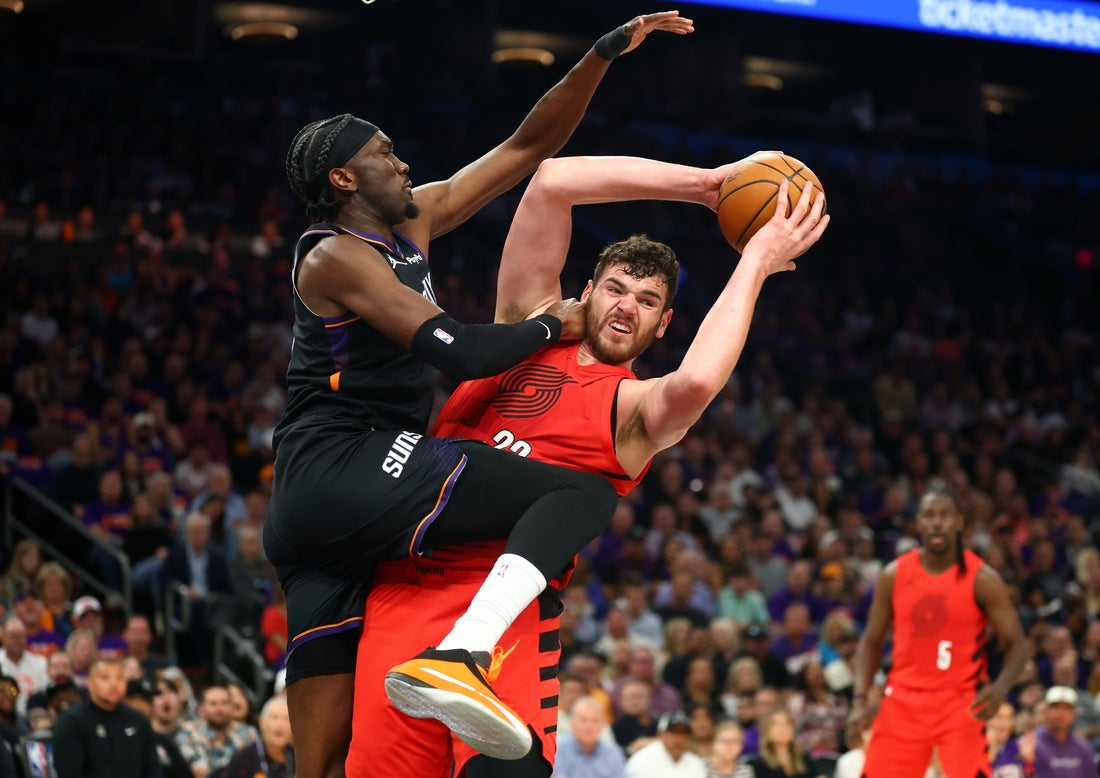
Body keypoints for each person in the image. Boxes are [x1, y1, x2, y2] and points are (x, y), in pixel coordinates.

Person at [264, 12, 694, 775]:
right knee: (579, 494)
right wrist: (555, 323)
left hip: (329, 521)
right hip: (343, 462)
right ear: (343, 180)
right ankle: (465, 652)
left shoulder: (415, 218)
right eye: (382, 154)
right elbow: (461, 353)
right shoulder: (333, 257)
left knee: (323, 765)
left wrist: (599, 54)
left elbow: (528, 148)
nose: (402, 162)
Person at [350, 152, 828, 777]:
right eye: (616, 288)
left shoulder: (633, 411)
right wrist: (709, 185)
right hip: (405, 584)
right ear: (587, 292)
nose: (627, 306)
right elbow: (553, 181)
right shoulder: (527, 324)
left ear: (664, 325)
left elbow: (696, 383)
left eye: (648, 301)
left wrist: (756, 261)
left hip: (505, 610)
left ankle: (469, 652)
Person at [847, 486, 1029, 778]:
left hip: (961, 700)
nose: (936, 522)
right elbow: (870, 641)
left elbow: (1017, 644)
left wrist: (1000, 687)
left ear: (959, 521)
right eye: (929, 515)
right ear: (918, 522)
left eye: (944, 515)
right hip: (903, 698)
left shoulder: (983, 579)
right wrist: (859, 701)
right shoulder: (894, 575)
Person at [52, 657, 162, 778]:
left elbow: (153, 770)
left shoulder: (139, 720)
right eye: (105, 678)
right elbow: (68, 773)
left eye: (119, 678)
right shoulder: (72, 722)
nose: (113, 684)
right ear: (90, 683)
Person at [1019, 686, 1099, 778]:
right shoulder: (1030, 743)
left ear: (1074, 714)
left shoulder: (1082, 747)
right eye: (1056, 707)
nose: (1061, 713)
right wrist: (1028, 763)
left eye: (1066, 708)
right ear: (1046, 711)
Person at [550, 696, 624, 778]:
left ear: (602, 725)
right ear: (571, 722)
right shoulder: (556, 750)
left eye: (594, 721)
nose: (589, 726)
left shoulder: (613, 754)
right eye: (583, 720)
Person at [221, 696, 295, 778]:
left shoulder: (297, 757)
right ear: (261, 722)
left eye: (286, 719)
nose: (280, 725)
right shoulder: (244, 758)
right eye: (274, 718)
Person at [625, 710, 707, 778]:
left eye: (684, 733)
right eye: (673, 732)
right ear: (660, 735)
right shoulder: (641, 762)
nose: (678, 738)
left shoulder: (696, 763)